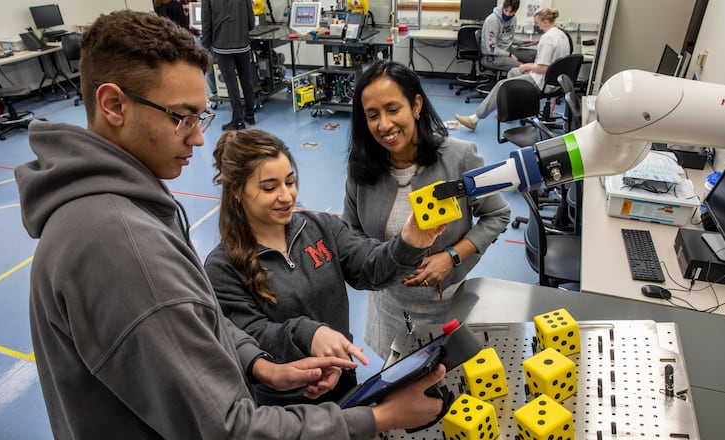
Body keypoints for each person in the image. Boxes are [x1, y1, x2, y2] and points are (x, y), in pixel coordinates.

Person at [14, 10, 446, 439]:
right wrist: (380, 418)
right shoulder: (120, 245)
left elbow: (211, 331)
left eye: (200, 117)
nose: (200, 137)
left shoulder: (127, 213)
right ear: (113, 105)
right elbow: (229, 428)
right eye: (182, 116)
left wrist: (261, 368)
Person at [204, 129, 446, 406]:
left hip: (341, 376)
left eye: (290, 182)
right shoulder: (222, 267)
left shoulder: (320, 228)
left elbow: (370, 265)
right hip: (287, 400)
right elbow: (250, 334)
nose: (286, 196)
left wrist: (409, 242)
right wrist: (308, 334)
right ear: (236, 190)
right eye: (270, 187)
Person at [343, 60, 511, 360]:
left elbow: (496, 215)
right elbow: (350, 233)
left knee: (444, 378)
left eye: (393, 109)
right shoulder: (361, 168)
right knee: (396, 379)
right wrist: (385, 261)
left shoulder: (459, 157)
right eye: (372, 115)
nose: (384, 125)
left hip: (445, 303)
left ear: (416, 104)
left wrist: (452, 256)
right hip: (388, 304)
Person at [456, 8, 570, 131]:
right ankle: (508, 111)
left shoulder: (547, 39)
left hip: (543, 82)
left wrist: (527, 66)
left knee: (502, 85)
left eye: (537, 23)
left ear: (546, 22)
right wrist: (526, 67)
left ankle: (474, 119)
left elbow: (543, 68)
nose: (537, 26)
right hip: (556, 81)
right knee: (514, 72)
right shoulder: (561, 35)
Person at [202, 0, 256, 130]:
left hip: (222, 46)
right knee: (246, 80)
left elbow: (206, 22)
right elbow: (251, 22)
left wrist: (206, 44)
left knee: (231, 84)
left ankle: (238, 121)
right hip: (242, 45)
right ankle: (250, 114)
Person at [480, 0, 532, 73]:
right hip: (492, 56)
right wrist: (509, 55)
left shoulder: (513, 19)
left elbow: (508, 37)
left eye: (511, 12)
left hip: (507, 49)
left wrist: (522, 42)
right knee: (525, 69)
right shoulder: (493, 20)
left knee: (534, 55)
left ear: (515, 11)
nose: (508, 14)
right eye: (506, 10)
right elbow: (491, 48)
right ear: (503, 7)